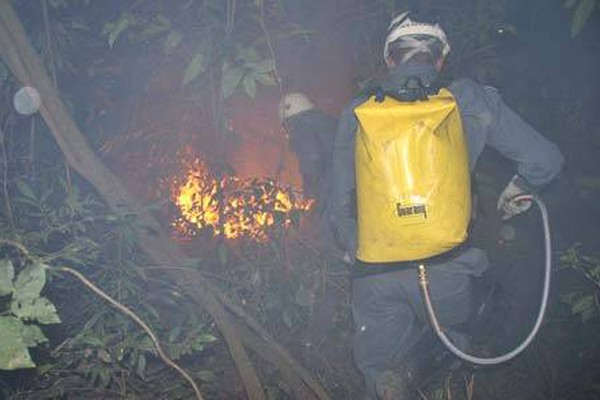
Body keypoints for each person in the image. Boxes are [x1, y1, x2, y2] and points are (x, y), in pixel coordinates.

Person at [328, 11, 564, 400]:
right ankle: (432, 372)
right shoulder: (469, 99)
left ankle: (389, 381)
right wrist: (518, 189)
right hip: (448, 270)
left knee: (379, 372)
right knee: (450, 356)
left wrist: (354, 250)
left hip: (377, 275)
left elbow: (338, 201)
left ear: (390, 57)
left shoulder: (358, 111)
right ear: (440, 59)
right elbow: (546, 160)